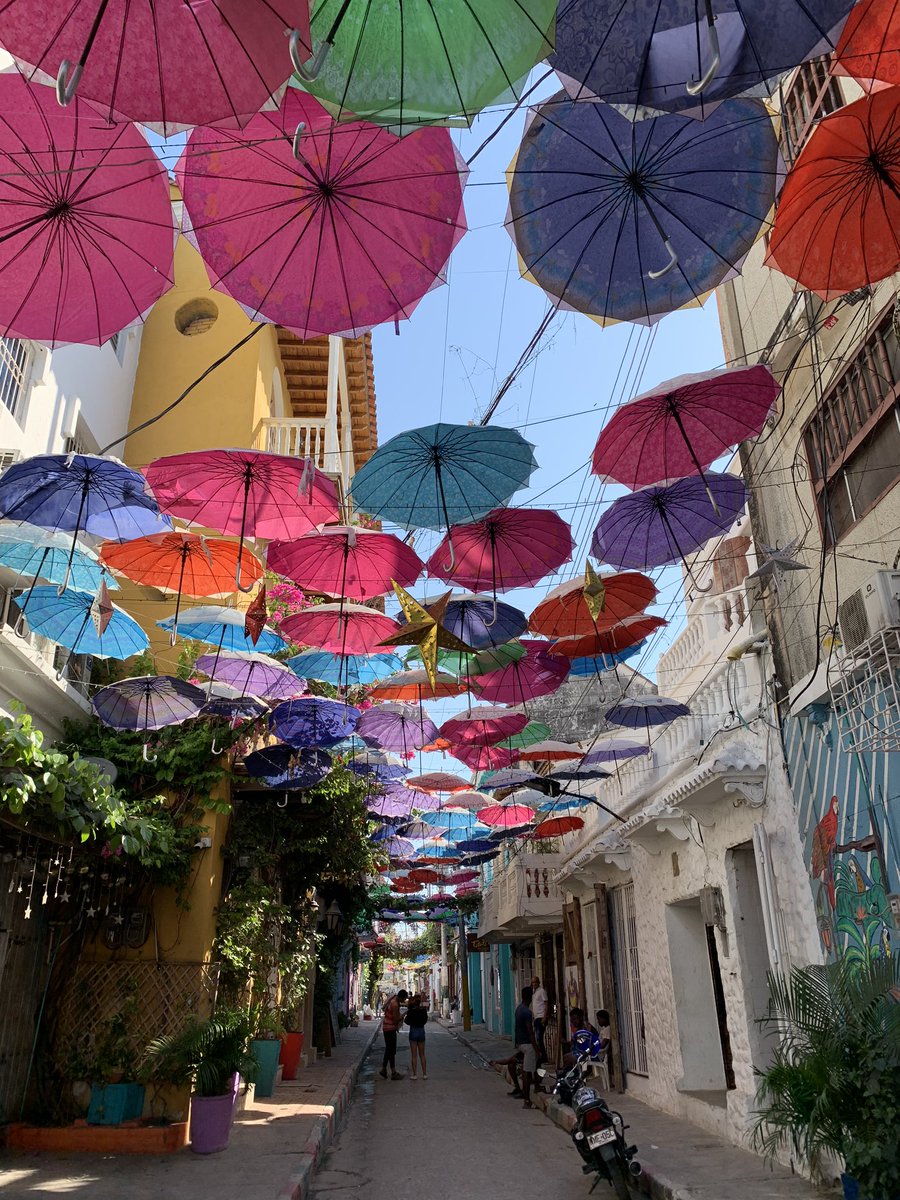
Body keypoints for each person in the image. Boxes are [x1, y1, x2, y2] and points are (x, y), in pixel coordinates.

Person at [514, 985, 540, 1109]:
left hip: (520, 1043)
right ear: (530, 997)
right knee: (527, 1073)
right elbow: (530, 1032)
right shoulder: (527, 1012)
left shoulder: (518, 1009)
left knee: (531, 1069)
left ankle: (536, 1088)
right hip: (527, 1044)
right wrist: (536, 1048)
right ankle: (527, 1100)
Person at [379, 988, 407, 1080]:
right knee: (391, 1050)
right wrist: (404, 1014)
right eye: (404, 999)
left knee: (389, 1050)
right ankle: (393, 1072)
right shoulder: (395, 1004)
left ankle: (385, 1069)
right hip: (390, 1028)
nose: (404, 1001)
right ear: (401, 997)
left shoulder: (393, 1000)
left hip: (387, 1027)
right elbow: (395, 1020)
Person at [405, 993, 429, 1079]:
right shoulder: (423, 1011)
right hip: (421, 1031)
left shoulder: (411, 1011)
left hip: (413, 1031)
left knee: (414, 1055)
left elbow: (406, 1021)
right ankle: (424, 1074)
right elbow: (425, 1020)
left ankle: (415, 1074)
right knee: (422, 1054)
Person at [530, 975, 549, 1084]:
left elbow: (546, 1004)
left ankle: (543, 1056)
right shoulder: (534, 992)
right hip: (536, 1017)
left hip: (541, 1017)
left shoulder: (542, 991)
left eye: (535, 982)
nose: (534, 984)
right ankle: (541, 1056)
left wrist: (545, 1017)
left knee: (539, 1038)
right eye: (533, 982)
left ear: (538, 982)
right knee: (538, 1038)